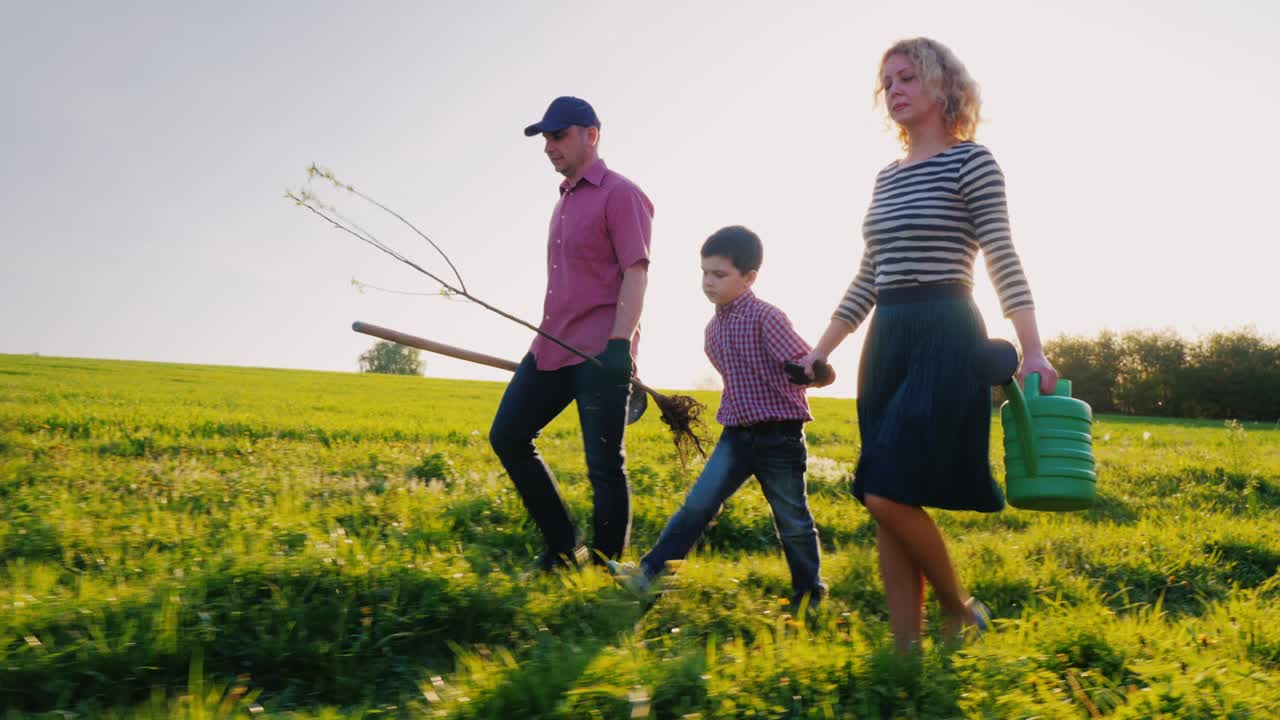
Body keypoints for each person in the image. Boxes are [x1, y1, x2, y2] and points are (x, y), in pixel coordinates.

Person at [798, 38, 1059, 653]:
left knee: (882, 488)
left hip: (946, 329)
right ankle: (907, 652)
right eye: (887, 81)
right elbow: (868, 274)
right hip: (887, 338)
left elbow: (1001, 254)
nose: (894, 89)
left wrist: (1034, 349)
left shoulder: (973, 162)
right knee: (893, 490)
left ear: (944, 86)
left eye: (908, 76)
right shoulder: (886, 179)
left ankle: (958, 608)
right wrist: (821, 349)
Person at [611, 225, 831, 608]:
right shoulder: (713, 330)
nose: (709, 282)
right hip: (735, 436)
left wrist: (814, 373)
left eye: (720, 274)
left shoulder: (767, 318)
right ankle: (648, 577)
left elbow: (806, 363)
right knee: (697, 506)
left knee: (792, 521)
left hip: (779, 437)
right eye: (704, 273)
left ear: (749, 277)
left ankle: (809, 596)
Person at [489, 96, 654, 571]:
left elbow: (636, 273)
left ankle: (604, 569)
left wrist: (622, 344)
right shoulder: (564, 200)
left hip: (602, 351)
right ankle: (564, 548)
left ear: (591, 134)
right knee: (509, 435)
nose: (548, 146)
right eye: (545, 138)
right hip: (551, 344)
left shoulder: (620, 194)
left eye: (557, 135)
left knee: (604, 465)